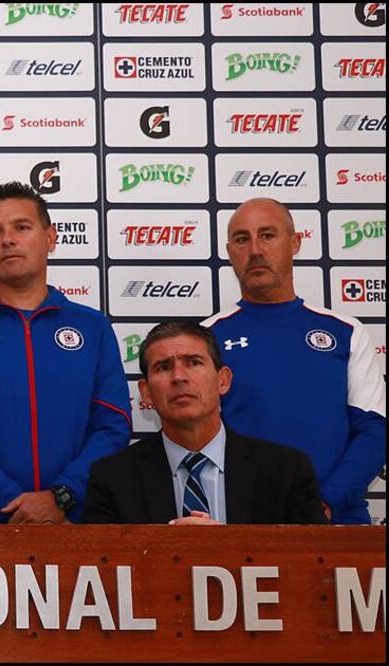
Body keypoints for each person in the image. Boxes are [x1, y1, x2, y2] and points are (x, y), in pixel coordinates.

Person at [0, 182, 131, 524]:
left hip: (75, 523)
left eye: (21, 227)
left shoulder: (92, 327)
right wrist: (15, 506)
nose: (7, 239)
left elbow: (113, 426)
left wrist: (61, 497)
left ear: (50, 238)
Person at [204, 198, 385, 524]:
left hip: (338, 523)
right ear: (230, 251)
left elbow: (374, 432)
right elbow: (195, 436)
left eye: (268, 235)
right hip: (239, 527)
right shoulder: (206, 337)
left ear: (295, 242)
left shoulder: (345, 331)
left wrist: (324, 504)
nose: (255, 250)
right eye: (243, 239)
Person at [83, 321, 326, 525]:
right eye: (164, 367)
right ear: (145, 392)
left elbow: (313, 563)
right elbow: (107, 571)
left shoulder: (286, 471)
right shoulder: (112, 478)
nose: (179, 377)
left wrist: (218, 549)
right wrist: (165, 551)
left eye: (193, 362)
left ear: (223, 381)